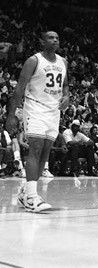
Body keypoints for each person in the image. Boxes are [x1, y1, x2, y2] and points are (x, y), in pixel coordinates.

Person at [6, 31, 69, 212]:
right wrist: (12, 115)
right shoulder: (33, 61)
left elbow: (65, 85)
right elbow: (19, 88)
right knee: (35, 148)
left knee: (45, 153)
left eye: (57, 37)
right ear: (41, 41)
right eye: (50, 37)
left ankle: (26, 192)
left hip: (53, 111)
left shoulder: (63, 62)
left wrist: (67, 96)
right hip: (35, 108)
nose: (55, 40)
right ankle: (32, 197)